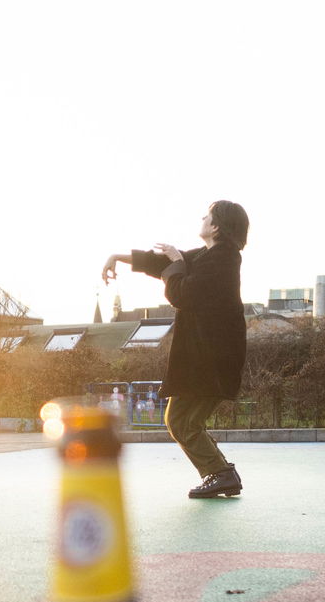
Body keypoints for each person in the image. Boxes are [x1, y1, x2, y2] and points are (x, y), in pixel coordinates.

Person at [102, 199, 248, 499]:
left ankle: (221, 474)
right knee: (184, 421)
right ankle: (221, 473)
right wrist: (117, 257)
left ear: (216, 226)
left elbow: (181, 292)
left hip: (211, 359)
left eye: (207, 216)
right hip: (205, 358)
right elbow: (164, 264)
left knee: (181, 421)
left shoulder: (223, 259)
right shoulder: (210, 255)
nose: (202, 219)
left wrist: (178, 263)